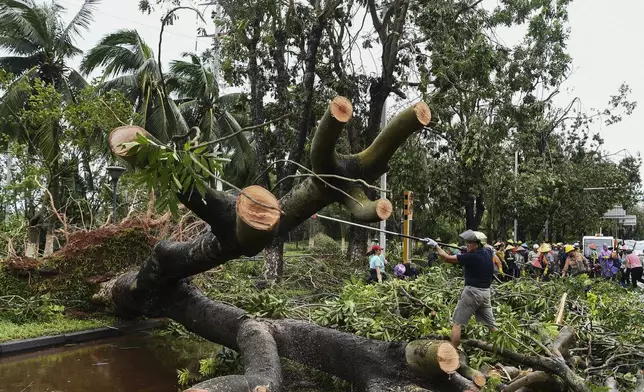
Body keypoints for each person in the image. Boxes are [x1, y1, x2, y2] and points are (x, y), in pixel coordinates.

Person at [423, 232, 497, 348]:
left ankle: (453, 351)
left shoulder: (471, 257)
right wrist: (466, 250)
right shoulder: (488, 252)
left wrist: (436, 246)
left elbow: (446, 258)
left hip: (472, 293)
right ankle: (503, 348)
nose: (467, 244)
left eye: (470, 242)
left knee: (457, 323)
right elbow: (488, 248)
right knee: (491, 324)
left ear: (478, 244)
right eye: (467, 242)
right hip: (485, 293)